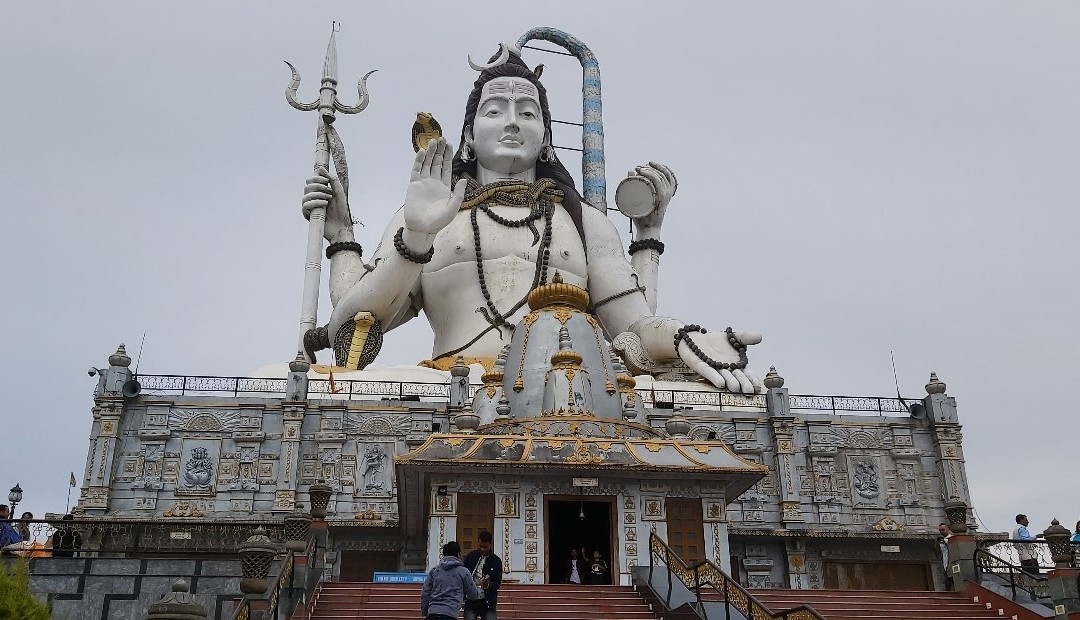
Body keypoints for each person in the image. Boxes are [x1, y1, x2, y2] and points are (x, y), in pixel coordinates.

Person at [303, 47, 763, 394]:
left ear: (545, 137)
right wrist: (394, 236)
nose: (512, 123)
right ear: (468, 134)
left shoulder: (582, 222)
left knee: (694, 393)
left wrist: (685, 337)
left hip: (568, 402)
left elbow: (634, 329)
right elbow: (349, 318)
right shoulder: (428, 216)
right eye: (495, 110)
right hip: (454, 386)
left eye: (528, 112)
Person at [421, 541, 483, 620]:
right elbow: (473, 594)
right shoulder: (463, 571)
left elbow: (425, 592)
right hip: (450, 614)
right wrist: (479, 588)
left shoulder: (434, 571)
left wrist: (425, 612)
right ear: (458, 554)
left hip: (433, 613)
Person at [463, 530, 503, 620]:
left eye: (485, 547)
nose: (482, 549)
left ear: (490, 544)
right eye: (480, 546)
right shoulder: (471, 556)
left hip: (488, 602)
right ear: (478, 542)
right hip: (471, 601)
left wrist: (488, 585)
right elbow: (463, 575)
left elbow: (498, 582)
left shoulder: (496, 561)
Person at [938, 523, 954, 589]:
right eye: (940, 530)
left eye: (943, 530)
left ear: (948, 529)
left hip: (952, 562)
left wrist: (945, 542)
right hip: (945, 563)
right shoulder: (942, 540)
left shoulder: (952, 538)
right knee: (947, 582)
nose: (941, 532)